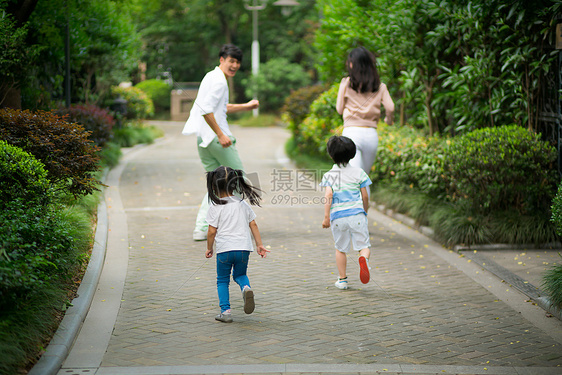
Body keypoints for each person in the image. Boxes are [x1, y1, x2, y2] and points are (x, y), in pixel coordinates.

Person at [182, 44, 259, 241]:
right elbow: (206, 109)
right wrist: (220, 134)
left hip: (203, 141)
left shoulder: (212, 76)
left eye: (238, 62)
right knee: (241, 180)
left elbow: (220, 108)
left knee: (216, 186)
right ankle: (244, 226)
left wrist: (246, 106)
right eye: (231, 61)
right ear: (222, 59)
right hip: (217, 140)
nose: (234, 65)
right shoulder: (219, 82)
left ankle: (201, 229)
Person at [205, 166, 270, 323]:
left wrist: (209, 248)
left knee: (222, 280)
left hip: (224, 250)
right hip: (243, 249)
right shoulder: (242, 204)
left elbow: (211, 231)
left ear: (214, 186)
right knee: (240, 275)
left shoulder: (215, 206)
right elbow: (253, 224)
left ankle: (225, 311)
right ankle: (246, 288)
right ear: (235, 184)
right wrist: (259, 245)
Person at [336, 47, 394, 198]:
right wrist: (388, 120)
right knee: (363, 177)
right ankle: (362, 216)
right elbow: (391, 107)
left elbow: (340, 109)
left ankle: (359, 217)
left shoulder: (346, 83)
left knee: (356, 179)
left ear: (352, 65)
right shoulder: (380, 87)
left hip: (351, 134)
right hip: (370, 135)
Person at [321, 136, 372, 290]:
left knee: (341, 249)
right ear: (352, 153)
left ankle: (342, 280)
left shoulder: (329, 175)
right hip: (357, 215)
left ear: (331, 154)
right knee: (364, 246)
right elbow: (365, 195)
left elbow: (328, 196)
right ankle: (363, 259)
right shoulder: (359, 172)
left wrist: (326, 218)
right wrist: (364, 210)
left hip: (338, 217)